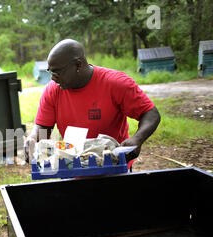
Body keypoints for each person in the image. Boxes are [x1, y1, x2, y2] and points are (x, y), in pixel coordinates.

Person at [24, 39, 161, 168]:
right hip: (73, 166)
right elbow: (43, 126)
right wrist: (32, 139)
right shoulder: (53, 90)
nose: (53, 78)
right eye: (50, 71)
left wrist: (137, 139)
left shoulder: (115, 83)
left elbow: (150, 113)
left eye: (57, 72)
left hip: (112, 166)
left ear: (78, 65)